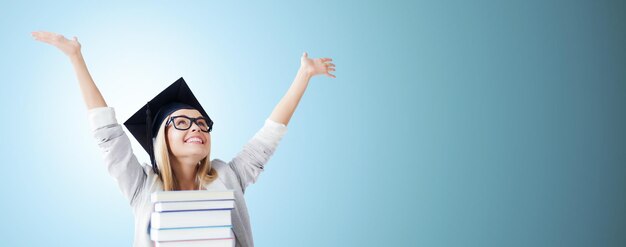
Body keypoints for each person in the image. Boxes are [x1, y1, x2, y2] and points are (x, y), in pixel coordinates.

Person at [31, 31, 336, 247]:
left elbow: (267, 137)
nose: (197, 128)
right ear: (161, 137)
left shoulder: (228, 178)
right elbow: (108, 135)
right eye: (183, 122)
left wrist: (303, 76)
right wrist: (75, 58)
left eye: (202, 123)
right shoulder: (142, 186)